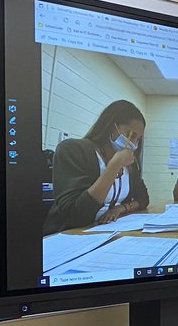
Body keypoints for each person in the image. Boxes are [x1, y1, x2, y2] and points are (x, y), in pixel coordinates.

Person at [43, 99, 149, 235]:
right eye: (131, 135)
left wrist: (121, 209)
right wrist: (113, 167)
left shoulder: (130, 163)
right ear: (112, 127)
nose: (134, 144)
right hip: (70, 235)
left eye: (138, 139)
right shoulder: (73, 150)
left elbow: (143, 198)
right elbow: (75, 216)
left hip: (108, 232)